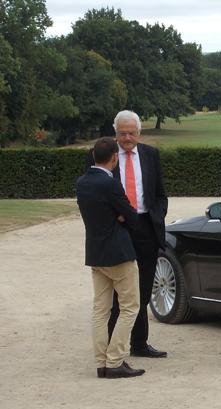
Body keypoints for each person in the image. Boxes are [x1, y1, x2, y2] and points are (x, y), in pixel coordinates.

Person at [76, 137, 145, 379]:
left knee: (100, 309)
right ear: (114, 157)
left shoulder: (82, 182)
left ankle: (100, 361)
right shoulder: (111, 184)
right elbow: (132, 216)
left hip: (96, 253)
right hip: (118, 253)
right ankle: (115, 359)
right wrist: (121, 217)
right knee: (130, 307)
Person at [107, 110, 169, 358]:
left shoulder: (150, 154)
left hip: (146, 226)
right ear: (116, 133)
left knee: (143, 287)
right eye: (122, 133)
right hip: (118, 227)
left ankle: (140, 344)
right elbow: (95, 193)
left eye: (131, 133)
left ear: (139, 133)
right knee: (117, 289)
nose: (127, 137)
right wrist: (114, 217)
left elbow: (161, 193)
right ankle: (114, 345)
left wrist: (157, 215)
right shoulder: (104, 155)